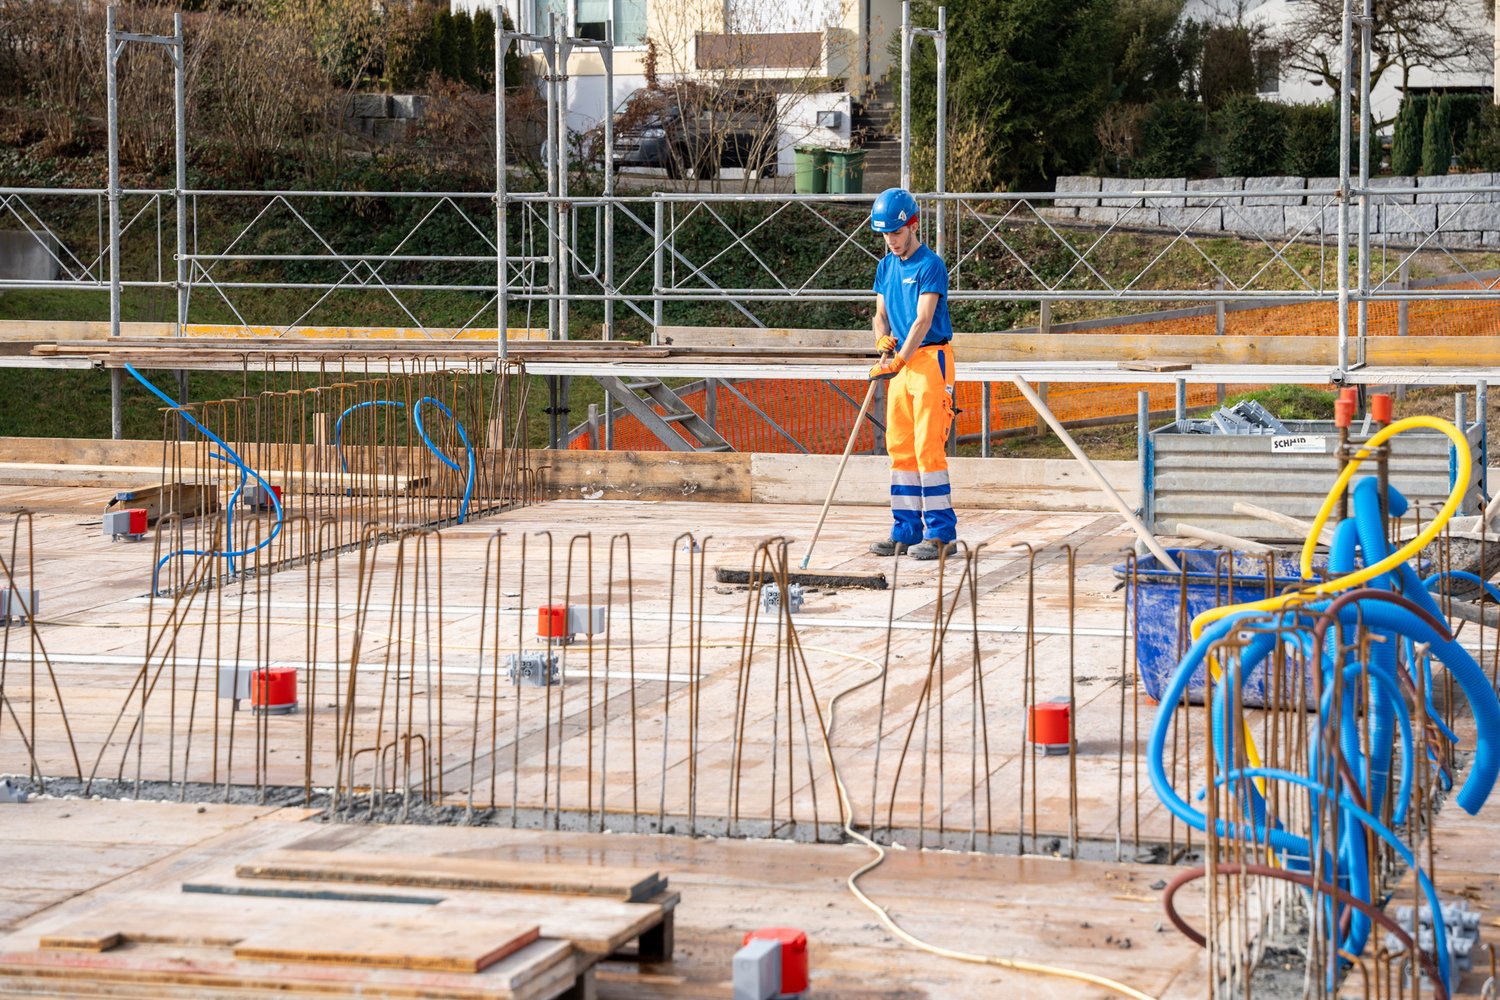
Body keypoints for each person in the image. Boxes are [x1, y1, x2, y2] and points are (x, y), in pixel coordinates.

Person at [866, 187, 957, 561]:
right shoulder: (885, 266)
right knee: (900, 447)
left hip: (929, 361)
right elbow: (880, 315)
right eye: (886, 235)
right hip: (900, 364)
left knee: (927, 448)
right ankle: (905, 530)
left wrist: (900, 359)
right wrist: (881, 342)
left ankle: (940, 535)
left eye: (897, 233)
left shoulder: (929, 265)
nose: (892, 241)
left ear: (913, 226)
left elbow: (922, 320)